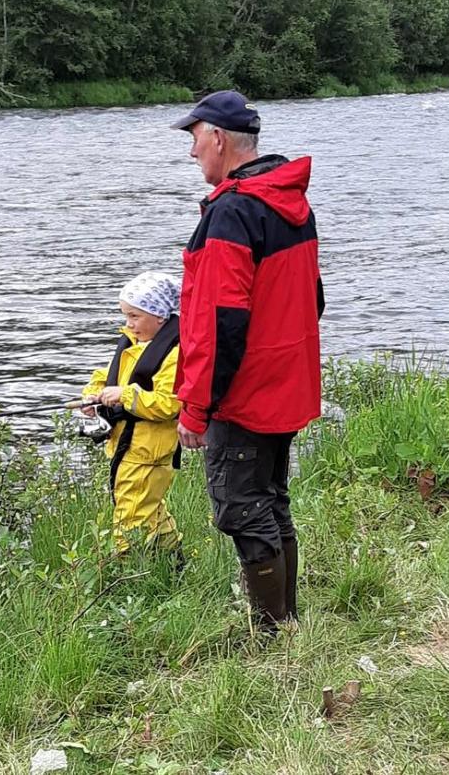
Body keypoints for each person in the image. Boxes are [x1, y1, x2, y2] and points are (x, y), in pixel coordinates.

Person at [170, 90, 323, 631]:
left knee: (241, 506)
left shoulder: (233, 211)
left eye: (193, 139)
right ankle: (286, 625)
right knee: (269, 499)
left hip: (245, 393)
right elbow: (314, 299)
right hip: (285, 382)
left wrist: (195, 408)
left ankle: (273, 636)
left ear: (216, 137)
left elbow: (220, 324)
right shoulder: (288, 201)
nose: (192, 153)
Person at [77, 271, 184, 558]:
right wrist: (94, 393)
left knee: (131, 515)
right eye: (126, 315)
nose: (129, 323)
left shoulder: (174, 354)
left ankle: (127, 572)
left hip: (148, 452)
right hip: (128, 446)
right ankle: (174, 561)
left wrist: (123, 395)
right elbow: (107, 375)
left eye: (135, 316)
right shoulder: (135, 343)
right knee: (150, 509)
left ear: (159, 315)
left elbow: (169, 404)